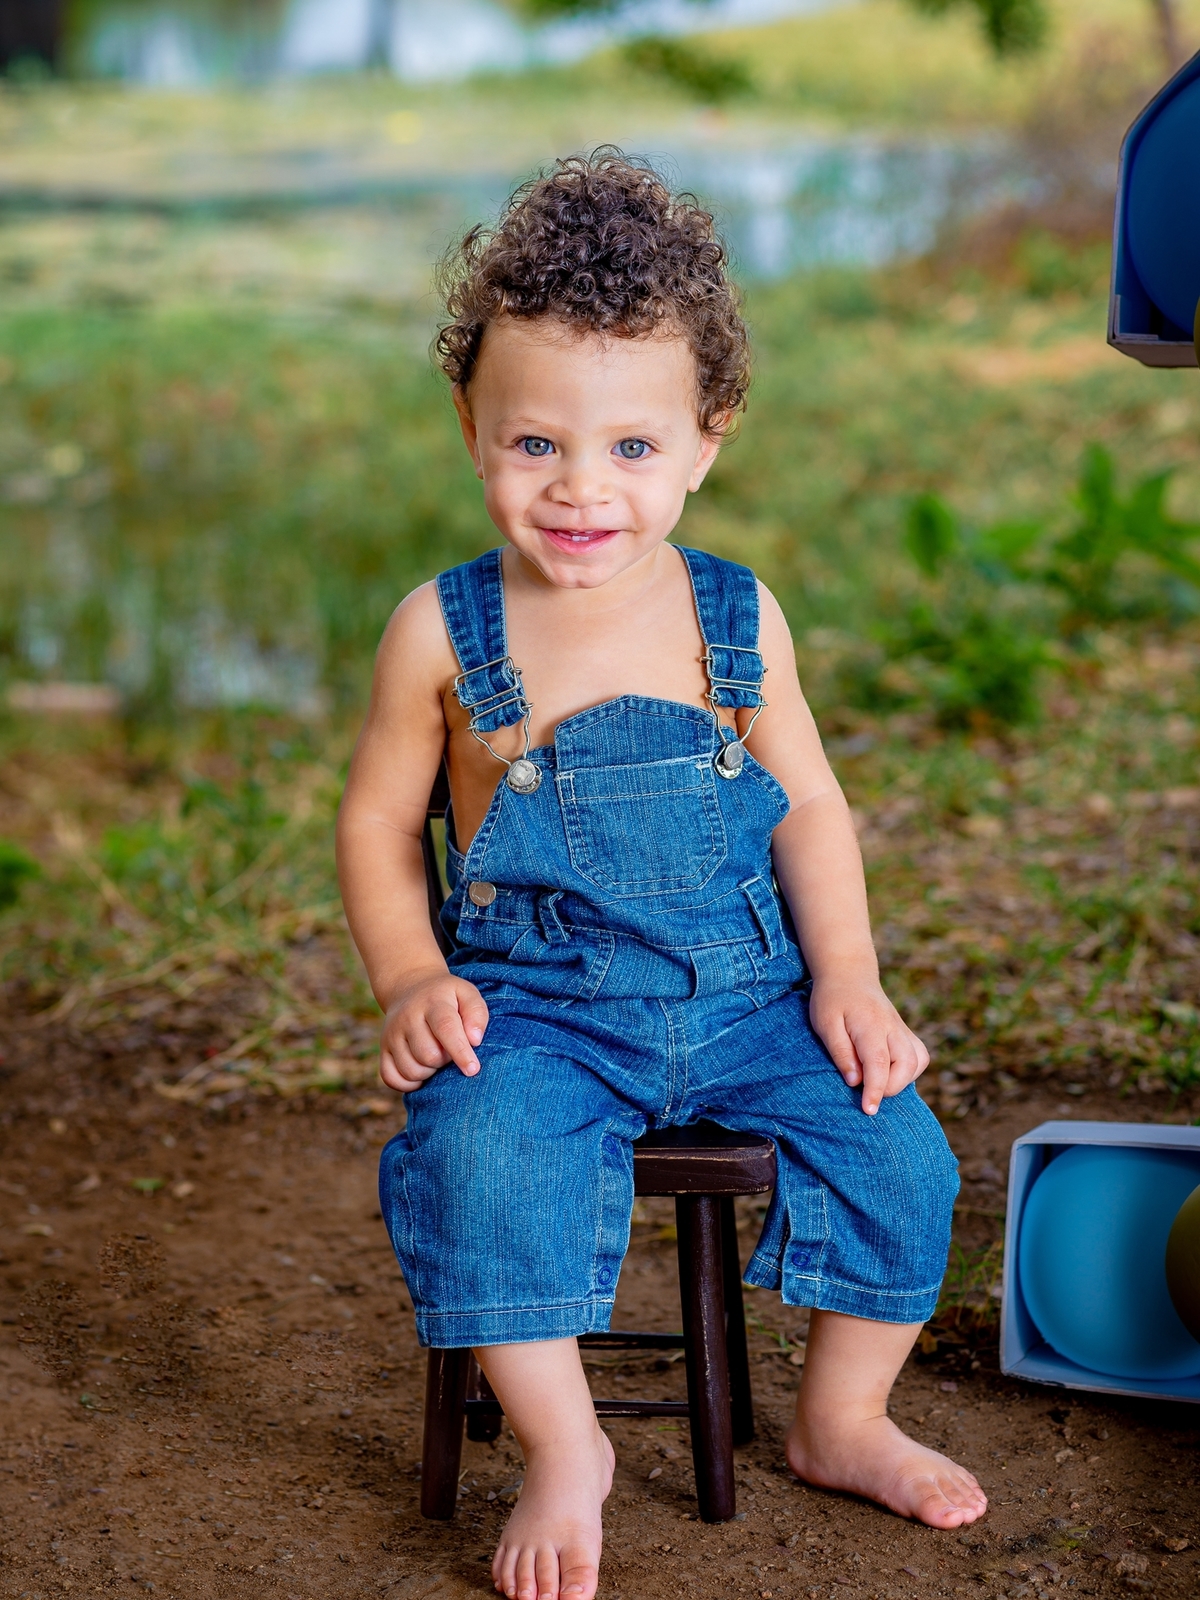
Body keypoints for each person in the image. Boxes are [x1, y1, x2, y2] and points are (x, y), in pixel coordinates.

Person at [336, 150, 985, 1600]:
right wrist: (413, 974)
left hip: (753, 994)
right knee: (479, 1156)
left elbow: (807, 807)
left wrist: (852, 984)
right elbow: (381, 826)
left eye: (633, 449)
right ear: (471, 427)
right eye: (535, 445)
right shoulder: (440, 634)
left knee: (901, 1154)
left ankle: (842, 1418)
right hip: (540, 1010)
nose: (580, 491)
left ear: (707, 440)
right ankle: (568, 1448)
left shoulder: (734, 617)